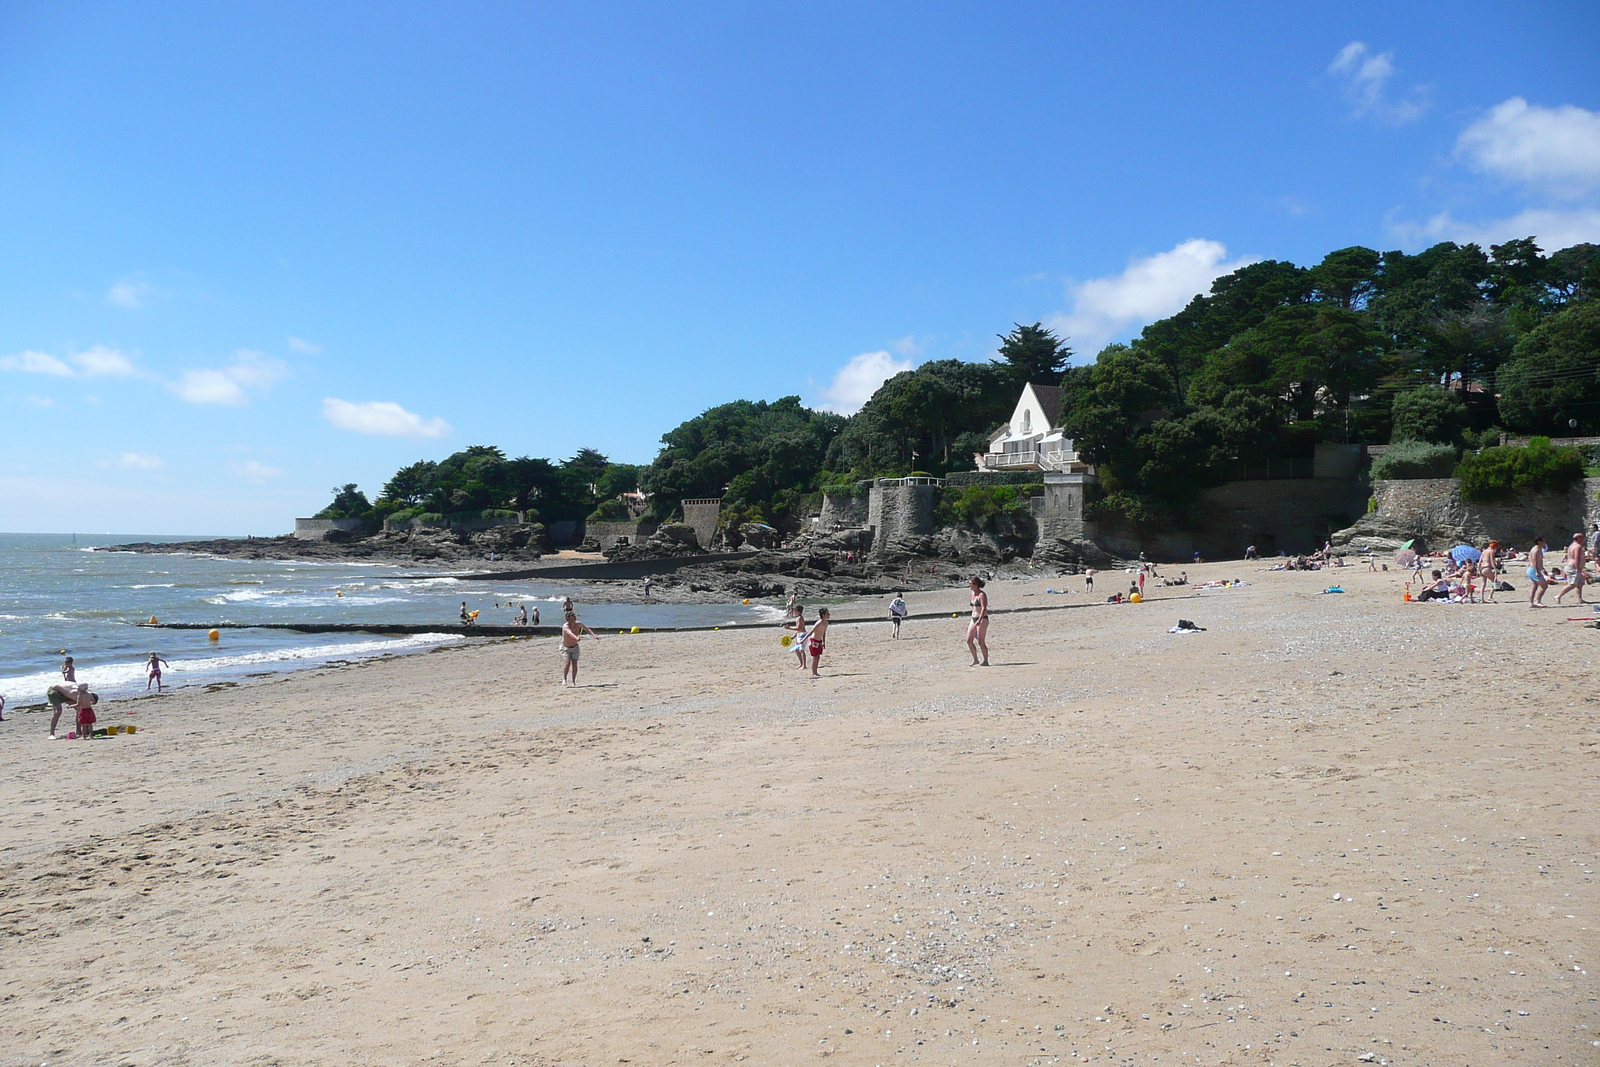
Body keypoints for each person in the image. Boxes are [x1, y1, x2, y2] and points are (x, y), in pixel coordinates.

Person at [560, 609, 599, 687]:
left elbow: (587, 629)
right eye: (572, 616)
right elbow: (570, 633)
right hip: (566, 647)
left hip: (575, 647)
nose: (574, 617)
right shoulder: (565, 626)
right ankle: (564, 679)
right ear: (568, 618)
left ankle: (574, 681)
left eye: (574, 615)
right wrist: (576, 638)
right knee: (567, 663)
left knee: (575, 664)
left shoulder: (579, 624)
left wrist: (594, 635)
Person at [1556, 532, 1588, 605]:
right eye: (1582, 537)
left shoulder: (1571, 546)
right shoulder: (1578, 546)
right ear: (1579, 538)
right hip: (1573, 567)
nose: (1583, 539)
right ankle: (1558, 596)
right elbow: (1577, 558)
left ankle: (1580, 599)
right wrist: (1577, 568)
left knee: (1579, 584)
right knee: (1572, 584)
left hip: (1571, 566)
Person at [966, 576, 990, 667]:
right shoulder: (972, 594)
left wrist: (980, 619)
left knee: (981, 641)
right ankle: (975, 659)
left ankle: (985, 660)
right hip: (973, 618)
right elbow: (974, 608)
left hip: (982, 619)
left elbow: (984, 608)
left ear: (975, 585)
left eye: (970, 584)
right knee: (969, 640)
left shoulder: (981, 595)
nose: (969, 585)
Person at [1527, 537, 1551, 608]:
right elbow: (1534, 561)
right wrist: (1537, 571)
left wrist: (1543, 569)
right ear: (1539, 542)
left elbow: (1539, 561)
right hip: (1533, 570)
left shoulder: (1539, 549)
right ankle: (1537, 601)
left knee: (1534, 586)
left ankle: (1531, 603)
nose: (1545, 543)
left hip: (1534, 569)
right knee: (1544, 586)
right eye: (1543, 541)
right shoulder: (1536, 550)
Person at [807, 607, 830, 677]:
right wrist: (803, 640)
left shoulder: (826, 623)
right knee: (815, 657)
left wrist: (823, 642)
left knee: (818, 657)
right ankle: (814, 673)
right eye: (827, 614)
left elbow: (823, 633)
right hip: (814, 640)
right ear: (823, 615)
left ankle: (816, 672)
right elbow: (811, 631)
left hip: (819, 641)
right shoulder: (819, 623)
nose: (829, 615)